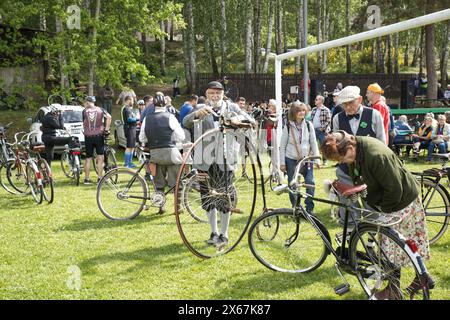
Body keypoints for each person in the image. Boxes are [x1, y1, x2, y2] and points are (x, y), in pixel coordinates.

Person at [321, 131, 431, 300]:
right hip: (394, 197)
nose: (342, 162)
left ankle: (394, 290)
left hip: (402, 199)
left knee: (391, 246)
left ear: (349, 147)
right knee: (407, 242)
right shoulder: (356, 148)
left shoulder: (375, 155)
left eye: (342, 158)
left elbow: (395, 189)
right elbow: (358, 176)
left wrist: (383, 213)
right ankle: (422, 277)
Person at [183, 81, 255, 249]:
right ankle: (214, 232)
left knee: (224, 198)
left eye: (218, 93)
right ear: (206, 95)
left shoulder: (232, 108)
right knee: (208, 199)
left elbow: (250, 120)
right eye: (211, 93)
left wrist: (236, 119)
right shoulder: (200, 108)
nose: (215, 96)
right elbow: (185, 122)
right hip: (204, 161)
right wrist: (196, 115)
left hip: (226, 160)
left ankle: (224, 234)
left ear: (223, 94)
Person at [332, 85, 386, 226]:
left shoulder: (374, 115)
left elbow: (382, 144)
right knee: (349, 209)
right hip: (346, 172)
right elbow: (337, 147)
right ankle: (350, 239)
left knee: (372, 208)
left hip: (370, 171)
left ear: (360, 99)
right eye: (344, 104)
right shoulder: (338, 118)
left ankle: (370, 241)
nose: (348, 107)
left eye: (351, 103)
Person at [139, 93, 185, 214]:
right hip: (171, 152)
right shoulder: (170, 117)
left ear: (153, 105)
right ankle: (178, 208)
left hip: (155, 153)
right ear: (165, 105)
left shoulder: (146, 119)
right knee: (177, 182)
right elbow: (181, 135)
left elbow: (142, 138)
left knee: (159, 183)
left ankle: (161, 207)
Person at [280, 101, 319, 212]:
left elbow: (313, 142)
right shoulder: (287, 126)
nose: (302, 113)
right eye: (299, 111)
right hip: (291, 159)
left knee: (310, 182)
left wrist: (316, 158)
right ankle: (295, 207)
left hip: (306, 159)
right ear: (294, 112)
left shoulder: (308, 124)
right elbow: (282, 146)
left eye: (303, 110)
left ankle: (309, 208)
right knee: (293, 184)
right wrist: (282, 163)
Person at [82, 96, 112, 184]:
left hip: (88, 136)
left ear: (87, 102)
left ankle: (86, 179)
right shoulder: (101, 109)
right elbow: (109, 117)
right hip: (98, 135)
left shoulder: (84, 111)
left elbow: (83, 123)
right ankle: (100, 178)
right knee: (100, 157)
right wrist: (106, 129)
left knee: (88, 158)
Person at [310, 95, 331, 165]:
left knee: (323, 146)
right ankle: (313, 160)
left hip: (322, 131)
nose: (315, 101)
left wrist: (323, 128)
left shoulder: (326, 110)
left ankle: (325, 160)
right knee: (312, 145)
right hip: (313, 131)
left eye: (316, 99)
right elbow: (311, 120)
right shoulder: (313, 109)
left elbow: (328, 120)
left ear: (321, 101)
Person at [121, 95, 138, 168]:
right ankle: (126, 164)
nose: (133, 102)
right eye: (132, 100)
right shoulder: (127, 109)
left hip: (133, 129)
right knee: (128, 147)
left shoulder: (129, 109)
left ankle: (130, 162)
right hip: (129, 129)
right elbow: (129, 119)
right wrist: (137, 119)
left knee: (132, 147)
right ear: (128, 100)